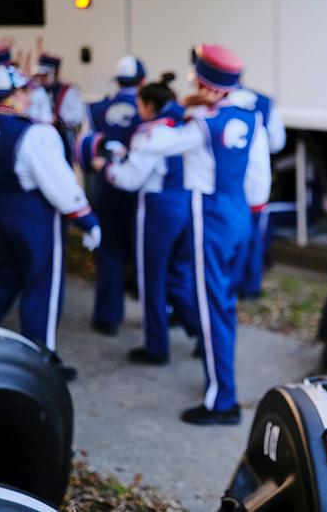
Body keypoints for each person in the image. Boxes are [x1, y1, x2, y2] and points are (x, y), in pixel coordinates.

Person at [95, 44, 270, 425]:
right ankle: (219, 386)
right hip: (239, 213)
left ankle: (222, 401)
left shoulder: (203, 125)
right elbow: (259, 185)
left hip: (208, 215)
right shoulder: (252, 117)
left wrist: (176, 114)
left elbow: (154, 143)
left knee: (211, 310)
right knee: (222, 305)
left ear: (207, 86)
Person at [0, 66, 101, 381]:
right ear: (15, 94)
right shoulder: (35, 132)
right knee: (42, 285)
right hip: (32, 216)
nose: (28, 96)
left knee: (3, 278)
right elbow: (60, 185)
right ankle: (41, 360)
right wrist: (87, 219)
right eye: (24, 91)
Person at [95, 73, 195, 365]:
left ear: (149, 106)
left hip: (156, 209)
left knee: (151, 278)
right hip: (185, 205)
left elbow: (129, 179)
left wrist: (105, 167)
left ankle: (156, 347)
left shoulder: (148, 133)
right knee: (180, 278)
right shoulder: (185, 125)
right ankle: (201, 333)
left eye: (140, 104)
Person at [77, 55, 146, 336]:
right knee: (146, 254)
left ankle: (107, 317)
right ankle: (158, 316)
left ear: (116, 81)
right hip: (140, 190)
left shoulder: (95, 109)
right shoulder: (149, 106)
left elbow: (83, 150)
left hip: (106, 188)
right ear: (142, 81)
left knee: (110, 252)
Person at [226, 77, 287, 300]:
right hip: (257, 183)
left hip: (230, 183)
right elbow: (277, 142)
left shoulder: (221, 105)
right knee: (256, 236)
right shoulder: (264, 103)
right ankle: (250, 286)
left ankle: (233, 284)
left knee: (232, 236)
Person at [33, 52, 85, 163]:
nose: (41, 78)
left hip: (62, 136)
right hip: (40, 138)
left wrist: (60, 118)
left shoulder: (68, 91)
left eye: (45, 75)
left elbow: (77, 116)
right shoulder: (36, 91)